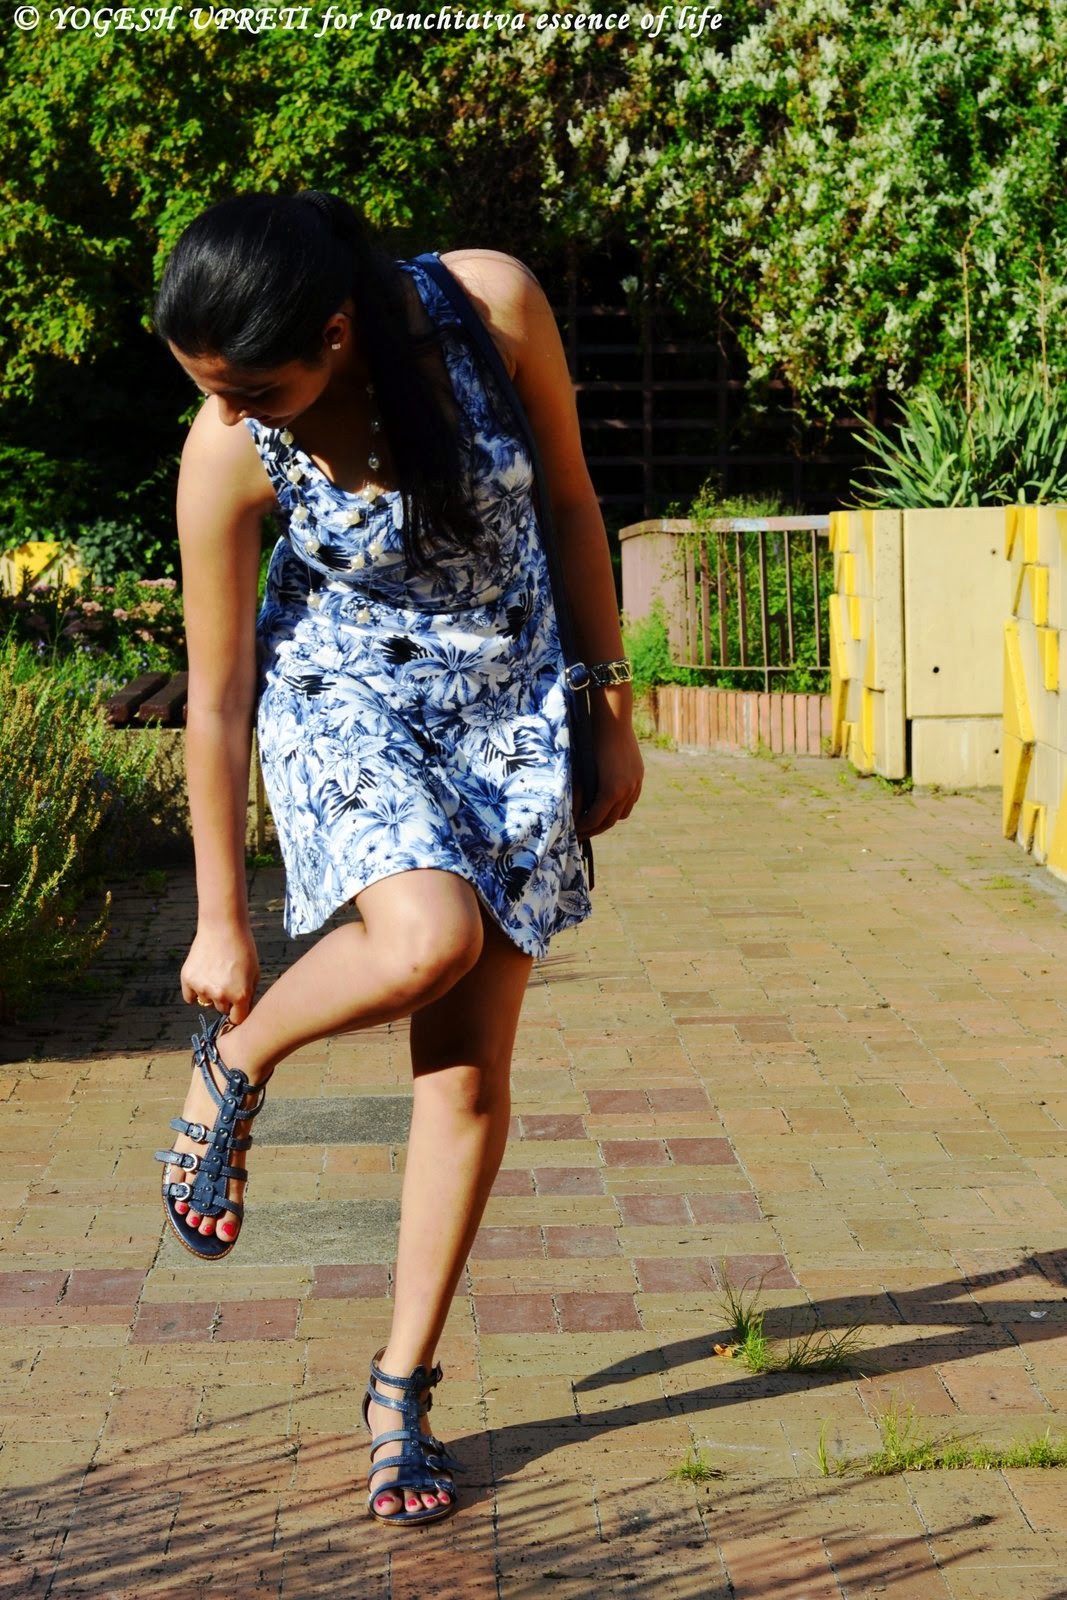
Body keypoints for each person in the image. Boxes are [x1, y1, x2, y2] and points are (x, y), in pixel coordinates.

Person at [152, 191, 643, 1527]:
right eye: (208, 386)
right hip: (349, 705)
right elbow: (217, 700)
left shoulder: (490, 306)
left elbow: (573, 503)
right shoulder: (228, 449)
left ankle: (401, 1391)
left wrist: (607, 707)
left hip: (512, 707)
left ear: (334, 329)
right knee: (430, 937)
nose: (230, 410)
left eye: (253, 384)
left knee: (467, 1077)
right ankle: (239, 1060)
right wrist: (219, 922)